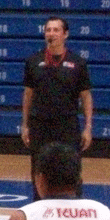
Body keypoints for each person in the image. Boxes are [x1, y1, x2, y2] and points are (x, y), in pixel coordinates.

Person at [21, 16, 93, 201]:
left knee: (71, 165)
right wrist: (25, 125)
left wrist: (88, 128)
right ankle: (40, 207)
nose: (51, 33)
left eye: (55, 30)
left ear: (65, 34)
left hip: (67, 124)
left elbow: (86, 96)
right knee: (38, 168)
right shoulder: (33, 61)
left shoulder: (78, 63)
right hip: (40, 124)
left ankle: (75, 206)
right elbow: (28, 95)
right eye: (48, 30)